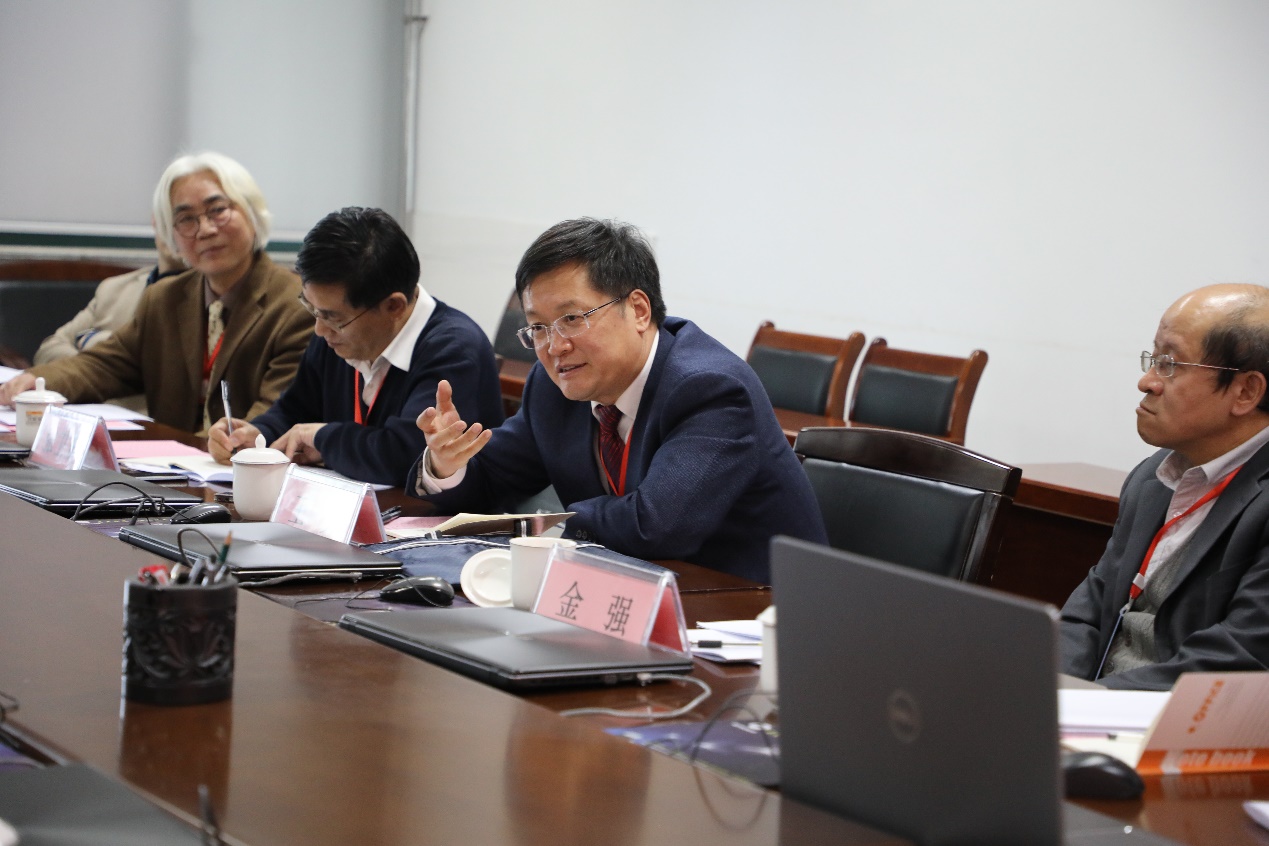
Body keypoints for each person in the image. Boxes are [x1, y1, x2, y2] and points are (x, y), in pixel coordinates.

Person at [411, 217, 827, 582]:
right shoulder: (554, 386)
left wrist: (544, 529)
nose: (554, 347)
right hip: (633, 589)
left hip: (750, 610)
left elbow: (657, 527)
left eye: (572, 319)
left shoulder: (711, 389)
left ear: (639, 310)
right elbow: (492, 478)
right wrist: (447, 464)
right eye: (538, 328)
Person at [0, 152, 312, 433]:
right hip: (167, 466)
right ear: (170, 235)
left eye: (218, 210)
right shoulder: (164, 298)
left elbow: (278, 413)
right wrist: (37, 382)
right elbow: (104, 366)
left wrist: (224, 445)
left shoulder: (297, 306)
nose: (205, 230)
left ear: (252, 214)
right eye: (186, 219)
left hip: (243, 468)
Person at [1060, 283, 1269, 690]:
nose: (1147, 382)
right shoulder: (1154, 476)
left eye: (1170, 364)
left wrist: (1090, 703)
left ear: (1245, 391)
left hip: (1182, 720)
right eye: (1153, 359)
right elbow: (1090, 610)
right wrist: (1052, 692)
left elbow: (1238, 659)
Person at [207, 206, 503, 486]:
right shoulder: (336, 334)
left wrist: (323, 438)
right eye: (312, 309)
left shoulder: (453, 349)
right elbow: (294, 410)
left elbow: (406, 456)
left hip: (433, 520)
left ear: (394, 306)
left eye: (333, 317)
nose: (320, 329)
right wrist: (257, 435)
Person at [31, 234, 187, 413]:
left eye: (189, 220)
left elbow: (163, 370)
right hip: (79, 413)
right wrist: (97, 365)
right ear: (155, 222)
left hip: (146, 422)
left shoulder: (204, 297)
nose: (174, 230)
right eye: (171, 219)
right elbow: (48, 349)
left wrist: (94, 342)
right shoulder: (113, 288)